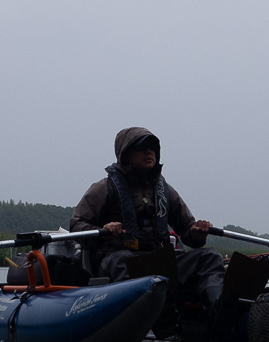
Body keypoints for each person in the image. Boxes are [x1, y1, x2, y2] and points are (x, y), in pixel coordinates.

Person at [69, 127, 228, 313]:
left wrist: (196, 233)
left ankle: (217, 311)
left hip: (158, 261)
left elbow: (187, 229)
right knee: (123, 261)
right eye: (141, 148)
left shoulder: (165, 191)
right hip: (117, 258)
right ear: (126, 154)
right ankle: (146, 314)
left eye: (152, 147)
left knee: (209, 257)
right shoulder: (104, 188)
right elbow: (76, 225)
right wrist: (104, 230)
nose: (149, 152)